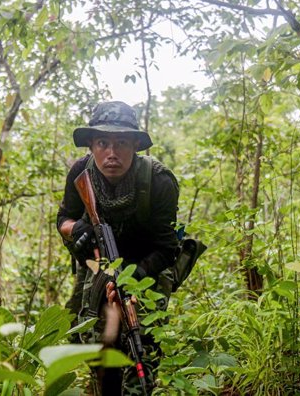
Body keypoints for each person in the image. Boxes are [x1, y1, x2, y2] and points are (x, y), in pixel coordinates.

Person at [56, 101, 179, 395]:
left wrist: (135, 275)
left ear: (135, 145)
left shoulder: (159, 181)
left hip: (148, 265)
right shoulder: (79, 174)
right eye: (103, 143)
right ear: (90, 145)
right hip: (98, 266)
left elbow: (167, 247)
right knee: (94, 342)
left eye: (121, 143)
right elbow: (63, 219)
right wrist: (77, 230)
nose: (112, 153)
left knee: (142, 345)